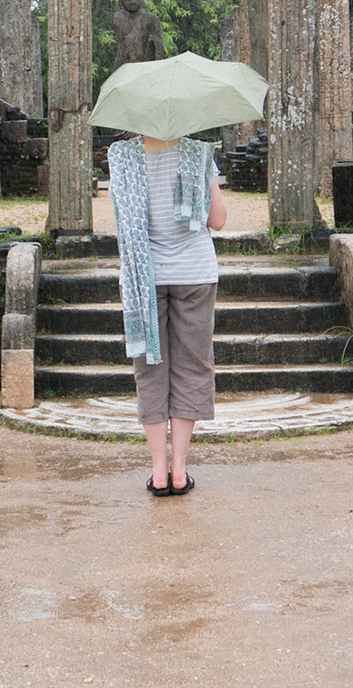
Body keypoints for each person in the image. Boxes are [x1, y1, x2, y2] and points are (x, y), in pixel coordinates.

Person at [106, 131, 228, 497]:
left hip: (144, 276)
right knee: (192, 365)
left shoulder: (122, 159)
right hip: (195, 273)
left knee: (150, 368)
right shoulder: (198, 155)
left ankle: (158, 471)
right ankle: (179, 470)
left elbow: (124, 222)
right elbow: (218, 220)